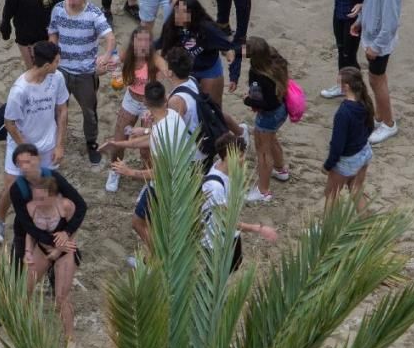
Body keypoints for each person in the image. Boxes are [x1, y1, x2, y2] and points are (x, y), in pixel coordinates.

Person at [0, 42, 70, 245]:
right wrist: (26, 150)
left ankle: (40, 222)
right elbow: (10, 124)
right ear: (47, 64)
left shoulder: (57, 78)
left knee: (45, 186)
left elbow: (62, 111)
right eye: (57, 61)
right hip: (22, 146)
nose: (59, 64)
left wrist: (59, 144)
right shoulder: (20, 89)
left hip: (48, 145)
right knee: (11, 188)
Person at [99, 80, 190, 253]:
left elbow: (159, 173)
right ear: (165, 98)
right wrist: (118, 143)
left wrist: (129, 171)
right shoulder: (171, 114)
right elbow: (151, 137)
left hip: (167, 185)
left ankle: (159, 257)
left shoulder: (162, 133)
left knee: (138, 222)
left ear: (145, 102)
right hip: (181, 176)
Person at [47, 0, 116, 165]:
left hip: (85, 73)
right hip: (61, 71)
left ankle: (91, 143)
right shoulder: (58, 9)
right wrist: (54, 53)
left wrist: (107, 55)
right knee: (58, 109)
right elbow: (52, 32)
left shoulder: (94, 14)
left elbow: (110, 38)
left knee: (89, 112)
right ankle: (55, 141)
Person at [287, 0, 368, 98]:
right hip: (338, 17)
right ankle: (342, 85)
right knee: (341, 50)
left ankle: (357, 89)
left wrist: (362, 5)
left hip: (353, 21)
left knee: (349, 55)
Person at [201, 132, 277, 272]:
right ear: (228, 156)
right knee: (217, 275)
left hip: (229, 235)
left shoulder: (223, 166)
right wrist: (258, 229)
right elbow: (227, 221)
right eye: (240, 155)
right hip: (215, 241)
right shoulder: (214, 186)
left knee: (235, 264)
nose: (243, 160)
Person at [350, 0, 402, 145]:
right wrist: (361, 21)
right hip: (372, 35)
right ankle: (380, 115)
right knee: (375, 79)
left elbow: (390, 24)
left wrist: (377, 47)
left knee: (376, 80)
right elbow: (369, 2)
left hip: (380, 42)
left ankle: (388, 123)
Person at [104, 26, 166, 192]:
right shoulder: (128, 55)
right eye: (140, 40)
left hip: (149, 105)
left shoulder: (155, 59)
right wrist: (114, 70)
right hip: (131, 99)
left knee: (146, 147)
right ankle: (115, 170)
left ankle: (149, 177)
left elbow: (168, 71)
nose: (143, 44)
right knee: (119, 139)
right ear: (133, 42)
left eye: (147, 40)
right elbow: (113, 65)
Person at [7, 143, 87, 265]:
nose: (25, 167)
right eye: (20, 163)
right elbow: (26, 223)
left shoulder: (54, 178)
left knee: (60, 266)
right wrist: (54, 242)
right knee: (18, 268)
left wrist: (67, 232)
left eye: (28, 161)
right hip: (29, 231)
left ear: (38, 158)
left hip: (56, 225)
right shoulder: (17, 189)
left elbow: (80, 205)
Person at [25, 177, 80, 343]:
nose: (38, 202)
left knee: (61, 298)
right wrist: (28, 251)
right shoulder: (31, 208)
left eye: (42, 198)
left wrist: (58, 250)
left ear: (54, 196)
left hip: (64, 252)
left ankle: (70, 337)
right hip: (42, 249)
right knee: (24, 290)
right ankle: (27, 327)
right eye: (36, 197)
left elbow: (73, 230)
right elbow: (30, 232)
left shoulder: (65, 207)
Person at [159, 0, 237, 106]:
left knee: (213, 109)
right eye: (176, 11)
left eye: (183, 13)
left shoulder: (207, 28)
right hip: (185, 72)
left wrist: (232, 70)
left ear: (192, 14)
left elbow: (229, 47)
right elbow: (160, 44)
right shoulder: (171, 26)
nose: (178, 16)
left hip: (208, 70)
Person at [242, 37, 289, 204]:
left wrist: (247, 99)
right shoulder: (276, 62)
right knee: (272, 139)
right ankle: (280, 169)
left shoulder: (256, 74)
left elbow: (261, 102)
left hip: (268, 115)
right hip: (281, 110)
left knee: (262, 151)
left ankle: (263, 191)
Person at [323, 67, 374, 213]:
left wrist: (328, 165)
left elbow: (337, 145)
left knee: (331, 195)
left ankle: (327, 234)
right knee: (356, 190)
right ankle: (368, 228)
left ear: (346, 86)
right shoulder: (365, 102)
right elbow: (369, 127)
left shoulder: (343, 113)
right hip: (364, 151)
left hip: (347, 160)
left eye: (339, 83)